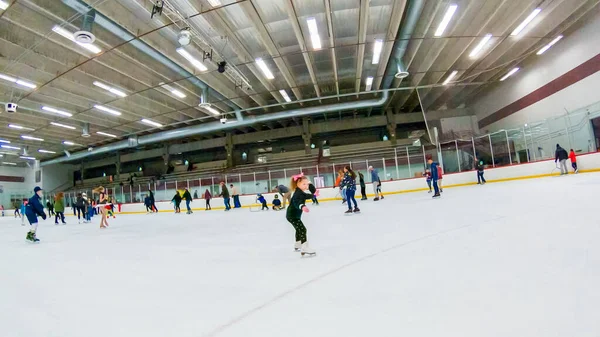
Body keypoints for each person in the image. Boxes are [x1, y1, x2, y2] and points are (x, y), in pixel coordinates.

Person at [286, 174, 316, 256]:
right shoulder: (297, 194)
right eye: (304, 184)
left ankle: (298, 244)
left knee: (298, 229)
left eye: (307, 184)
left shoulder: (300, 192)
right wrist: (302, 206)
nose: (306, 186)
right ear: (297, 184)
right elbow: (297, 203)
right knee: (303, 229)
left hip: (293, 215)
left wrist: (313, 195)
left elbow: (305, 196)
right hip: (292, 216)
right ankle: (304, 247)